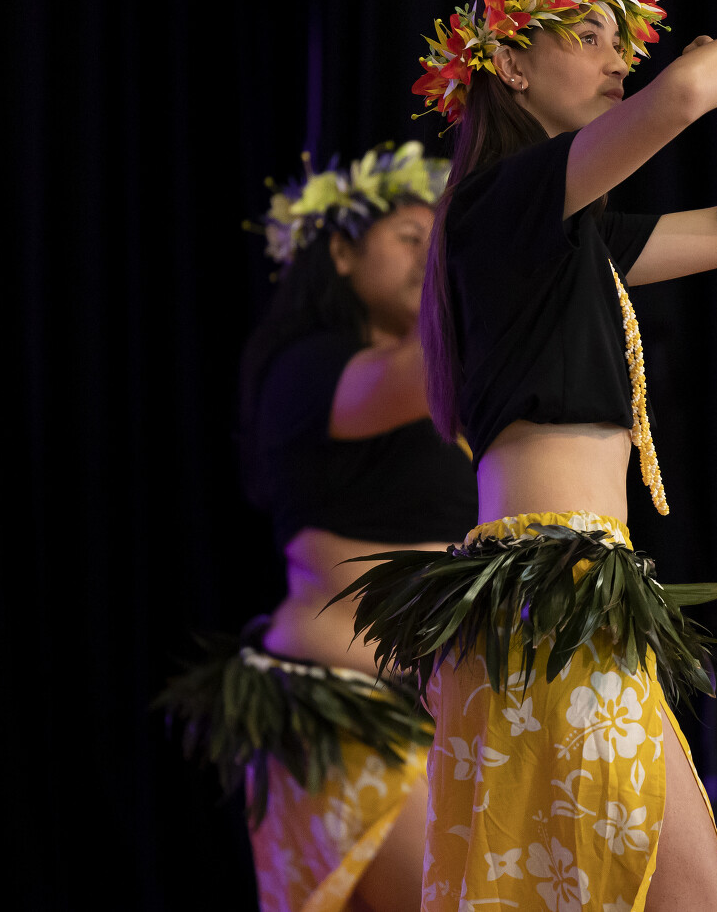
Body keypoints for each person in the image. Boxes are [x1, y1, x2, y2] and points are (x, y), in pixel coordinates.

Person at [335, 0, 717, 911]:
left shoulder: (572, 239)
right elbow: (679, 93)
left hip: (567, 594)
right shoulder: (503, 203)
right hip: (549, 590)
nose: (620, 61)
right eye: (592, 37)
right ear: (511, 64)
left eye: (623, 43)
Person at [158, 142, 479, 912]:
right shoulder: (311, 367)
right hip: (339, 710)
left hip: (428, 710)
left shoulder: (439, 391)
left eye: (439, 242)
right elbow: (420, 371)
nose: (430, 257)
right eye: (411, 237)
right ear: (340, 251)